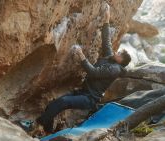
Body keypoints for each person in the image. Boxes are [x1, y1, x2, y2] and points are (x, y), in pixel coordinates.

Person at [36, 4, 131, 133]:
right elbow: (106, 40)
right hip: (83, 91)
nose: (117, 53)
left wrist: (81, 56)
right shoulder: (110, 58)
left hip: (89, 99)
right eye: (119, 52)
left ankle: (37, 125)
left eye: (120, 54)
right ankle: (47, 129)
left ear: (122, 62)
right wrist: (107, 19)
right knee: (55, 103)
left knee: (63, 101)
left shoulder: (115, 69)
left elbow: (93, 72)